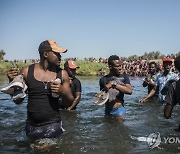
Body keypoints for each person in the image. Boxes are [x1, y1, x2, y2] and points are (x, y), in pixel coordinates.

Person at [7, 40, 74, 139]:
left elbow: (69, 104)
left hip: (53, 125)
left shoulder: (62, 74)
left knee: (43, 147)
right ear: (46, 54)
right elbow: (18, 101)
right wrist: (12, 83)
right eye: (57, 53)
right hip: (31, 126)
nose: (60, 57)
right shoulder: (26, 72)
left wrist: (62, 92)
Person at [99, 55, 132, 120]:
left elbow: (129, 91)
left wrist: (114, 85)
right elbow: (101, 96)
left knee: (119, 129)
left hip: (119, 110)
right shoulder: (103, 79)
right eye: (117, 66)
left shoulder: (124, 77)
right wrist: (105, 89)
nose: (120, 68)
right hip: (107, 110)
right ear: (110, 67)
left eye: (120, 65)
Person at [164, 55, 180, 132]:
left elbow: (167, 114)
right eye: (166, 63)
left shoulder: (175, 84)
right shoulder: (158, 76)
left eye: (169, 64)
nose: (167, 65)